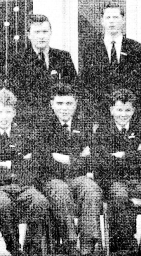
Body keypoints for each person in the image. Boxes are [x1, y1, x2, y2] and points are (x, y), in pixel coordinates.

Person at [0, 89, 50, 256]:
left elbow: (33, 166)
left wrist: (2, 164)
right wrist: (15, 166)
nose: (4, 116)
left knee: (40, 202)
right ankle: (15, 250)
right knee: (3, 204)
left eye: (8, 112)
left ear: (14, 113)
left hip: (21, 186)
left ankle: (32, 251)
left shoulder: (24, 135)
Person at [94, 89, 141, 255]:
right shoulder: (102, 132)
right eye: (119, 110)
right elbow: (104, 161)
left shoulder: (140, 128)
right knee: (119, 197)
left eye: (128, 110)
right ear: (112, 110)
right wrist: (135, 153)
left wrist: (123, 155)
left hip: (140, 179)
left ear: (133, 110)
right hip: (113, 180)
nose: (123, 114)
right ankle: (126, 244)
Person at [36, 83, 102, 256]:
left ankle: (88, 245)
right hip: (52, 180)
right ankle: (70, 242)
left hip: (77, 178)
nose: (64, 108)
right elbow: (44, 160)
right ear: (51, 104)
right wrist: (78, 157)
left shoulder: (85, 125)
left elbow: (92, 159)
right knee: (60, 190)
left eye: (68, 103)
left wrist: (64, 158)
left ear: (76, 104)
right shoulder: (43, 127)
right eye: (59, 103)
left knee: (92, 189)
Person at [80, 3, 141, 121]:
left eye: (116, 17)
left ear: (123, 20)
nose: (112, 21)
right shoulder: (91, 49)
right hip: (100, 113)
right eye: (108, 17)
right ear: (102, 21)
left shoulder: (135, 48)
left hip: (128, 113)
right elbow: (86, 83)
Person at [6, 14, 77, 122]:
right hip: (31, 121)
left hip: (60, 120)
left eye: (45, 32)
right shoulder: (18, 61)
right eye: (37, 32)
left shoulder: (63, 57)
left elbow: (74, 88)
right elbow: (14, 95)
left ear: (50, 33)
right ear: (29, 35)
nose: (41, 36)